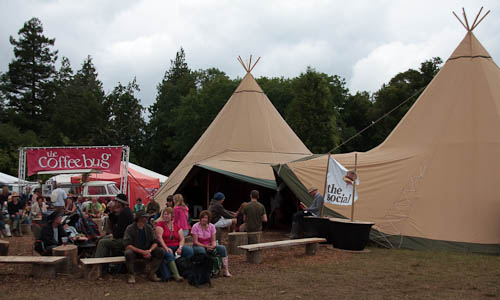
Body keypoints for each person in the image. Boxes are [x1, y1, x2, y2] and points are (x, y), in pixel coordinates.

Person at [123, 211, 165, 284]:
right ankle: (131, 274)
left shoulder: (148, 227)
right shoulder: (130, 228)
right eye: (145, 217)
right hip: (135, 251)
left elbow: (155, 242)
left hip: (147, 250)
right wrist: (142, 252)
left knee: (160, 251)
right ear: (139, 218)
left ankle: (152, 273)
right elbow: (127, 245)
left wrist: (150, 250)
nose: (147, 218)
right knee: (128, 253)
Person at [155, 207, 193, 281]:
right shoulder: (160, 225)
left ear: (172, 216)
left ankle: (188, 270)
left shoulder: (176, 226)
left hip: (176, 246)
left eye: (168, 214)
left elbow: (182, 239)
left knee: (189, 250)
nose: (166, 216)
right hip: (164, 246)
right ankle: (176, 275)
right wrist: (166, 248)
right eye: (164, 214)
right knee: (169, 253)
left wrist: (180, 247)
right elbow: (159, 238)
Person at [191, 210, 231, 277]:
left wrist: (213, 246)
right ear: (200, 218)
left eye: (206, 218)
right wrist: (205, 246)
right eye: (203, 218)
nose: (204, 219)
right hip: (198, 246)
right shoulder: (195, 226)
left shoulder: (212, 226)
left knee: (222, 248)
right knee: (202, 250)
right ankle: (205, 271)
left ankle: (225, 270)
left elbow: (213, 240)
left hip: (209, 245)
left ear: (209, 219)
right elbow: (195, 241)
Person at [94, 194, 134, 258]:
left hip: (125, 240)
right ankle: (106, 263)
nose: (114, 203)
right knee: (101, 239)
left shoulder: (125, 213)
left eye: (116, 201)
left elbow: (117, 234)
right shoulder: (124, 211)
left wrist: (112, 233)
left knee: (102, 242)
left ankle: (97, 264)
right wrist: (113, 211)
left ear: (119, 203)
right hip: (123, 237)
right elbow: (113, 219)